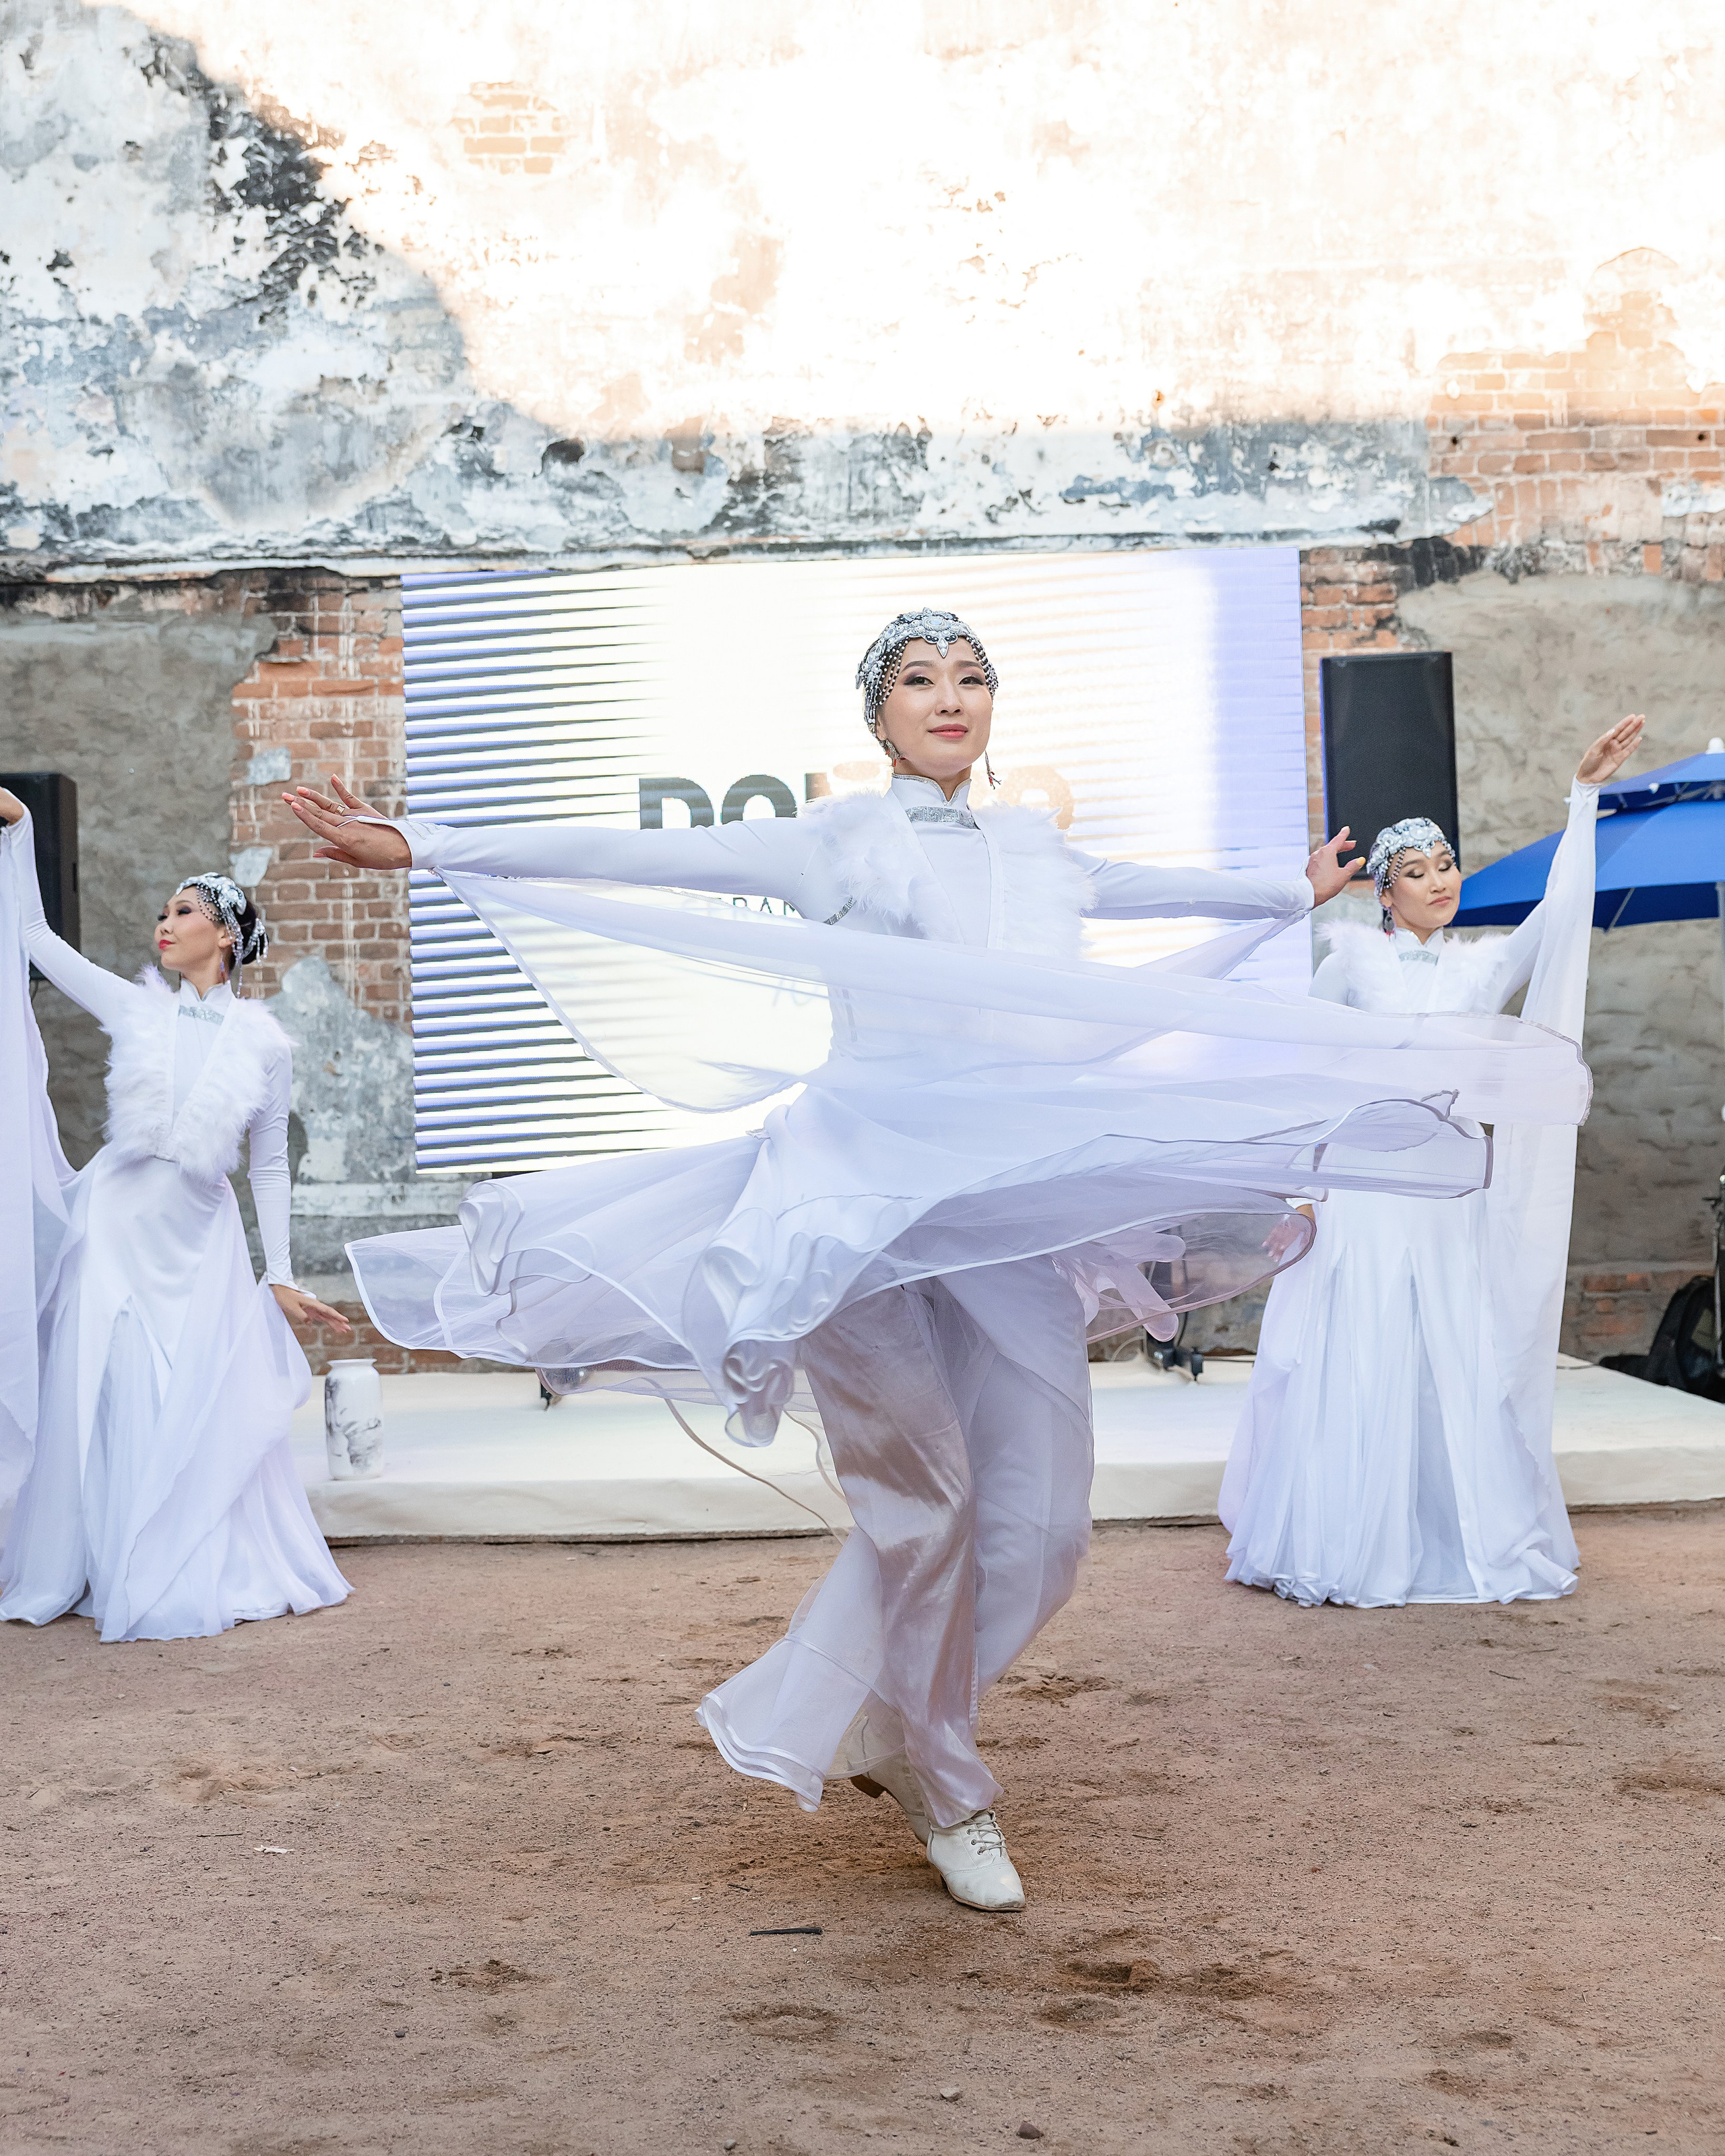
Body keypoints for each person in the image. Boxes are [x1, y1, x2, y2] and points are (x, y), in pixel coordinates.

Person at [284, 607, 1586, 1912]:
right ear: (879, 715)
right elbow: (640, 853)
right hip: (855, 1206)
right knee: (927, 1501)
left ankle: (898, 1727)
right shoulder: (835, 843)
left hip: (1005, 1200)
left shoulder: (1039, 856)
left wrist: (1279, 892)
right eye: (919, 679)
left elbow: (1152, 890)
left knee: (1045, 1529)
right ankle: (947, 1780)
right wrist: (432, 846)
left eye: (968, 677)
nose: (948, 696)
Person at [1219, 714, 1645, 1609]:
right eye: (1416, 872)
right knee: (1366, 1351)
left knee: (1452, 1352)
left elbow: (1559, 918)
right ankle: (1356, 1539)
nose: (1439, 881)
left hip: (1451, 1190)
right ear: (1384, 892)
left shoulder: (1478, 973)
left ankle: (1456, 1532)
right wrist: (1298, 1192)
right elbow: (1305, 1072)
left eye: (1447, 864)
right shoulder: (1350, 964)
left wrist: (1585, 797)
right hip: (1367, 1190)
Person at [0, 787, 354, 1643]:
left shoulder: (266, 1046)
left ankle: (182, 1556)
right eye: (163, 911)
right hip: (117, 1224)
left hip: (200, 1240)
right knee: (112, 1384)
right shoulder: (137, 1008)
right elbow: (37, 940)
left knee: (189, 1397)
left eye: (185, 911)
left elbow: (268, 1162)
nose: (166, 922)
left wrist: (280, 1274)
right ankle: (104, 1557)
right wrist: (22, 831)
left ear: (225, 936)